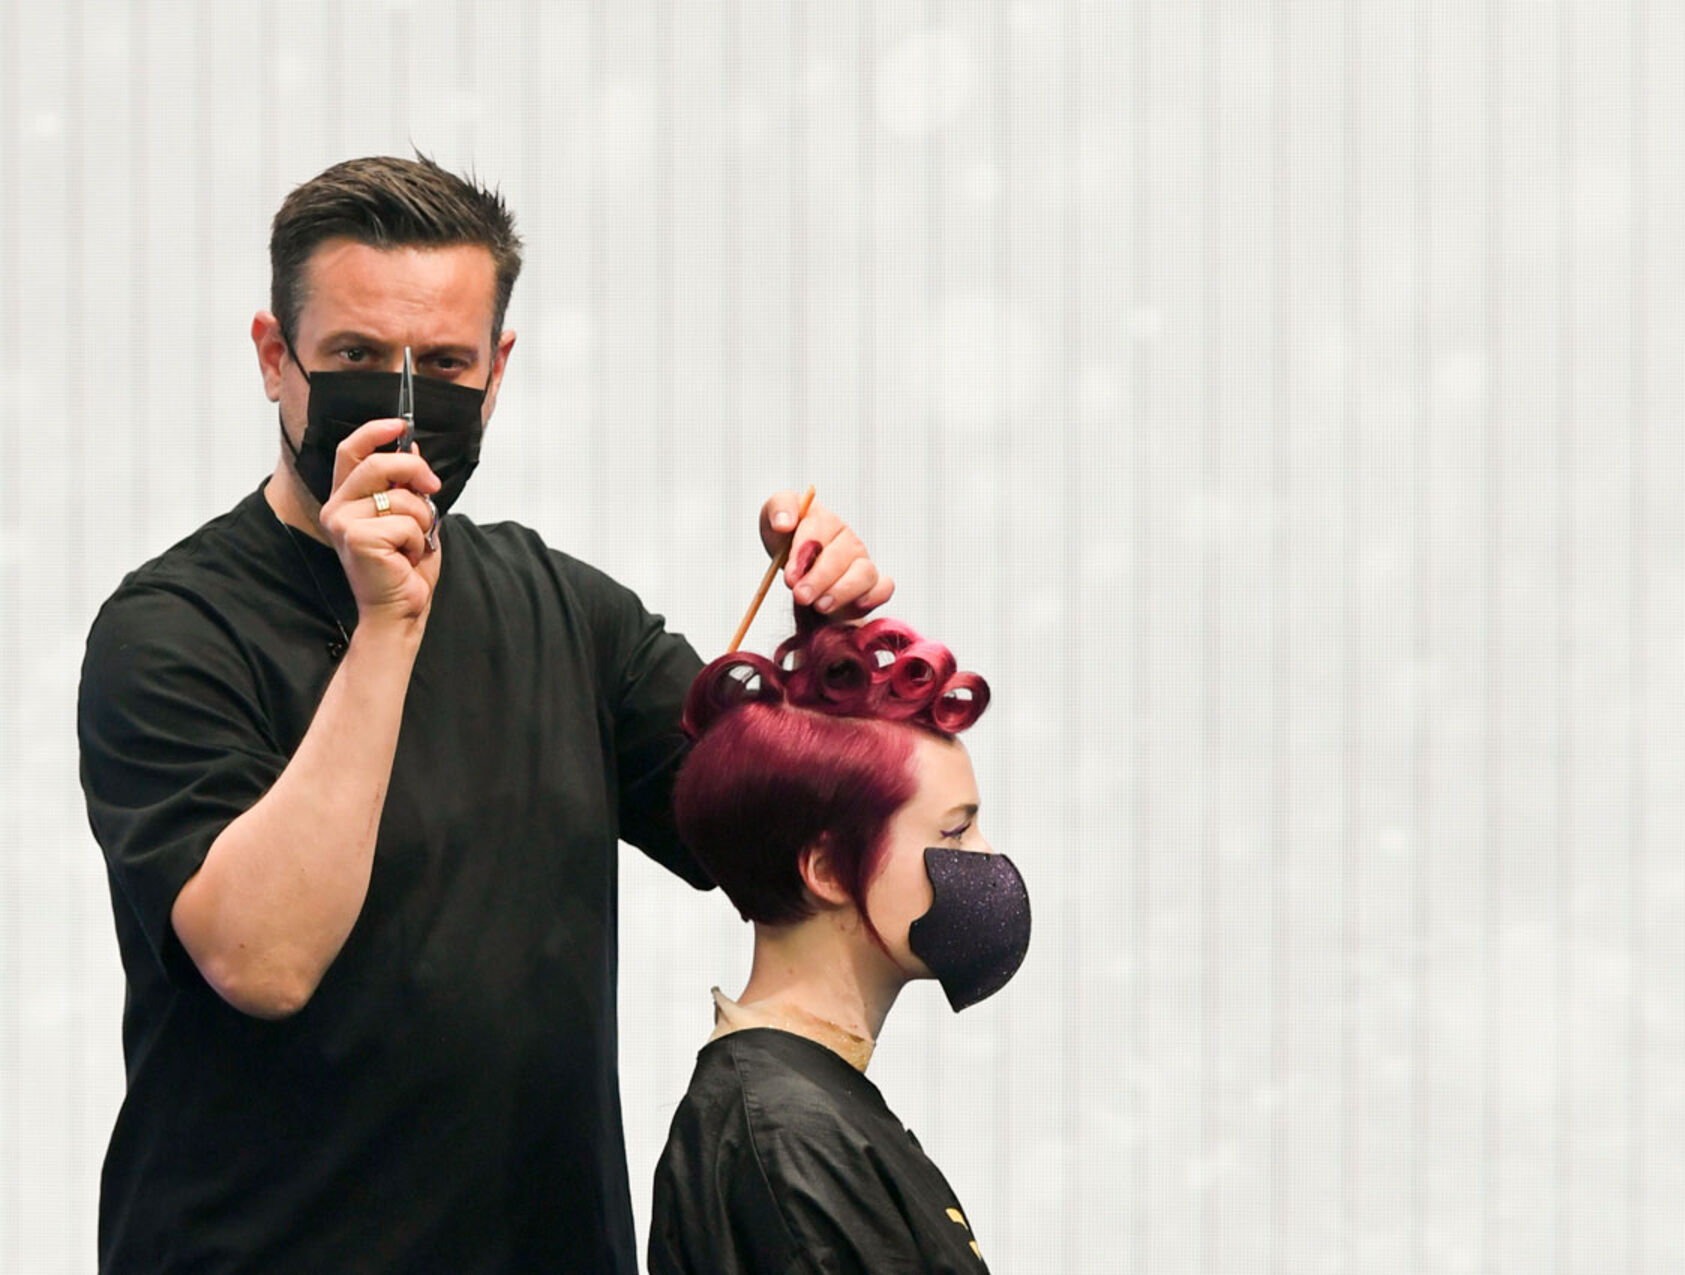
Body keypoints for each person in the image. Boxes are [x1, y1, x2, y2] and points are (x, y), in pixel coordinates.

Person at [76, 154, 893, 1274]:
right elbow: (262, 959)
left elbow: (798, 841)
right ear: (274, 357)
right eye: (357, 358)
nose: (405, 403)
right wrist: (387, 626)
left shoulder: (567, 612)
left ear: (497, 371)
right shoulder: (173, 630)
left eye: (446, 366)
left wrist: (831, 647)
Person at [647, 616, 1031, 1273]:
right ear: (826, 870)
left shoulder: (805, 1108)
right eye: (955, 833)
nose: (988, 858)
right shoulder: (789, 1139)